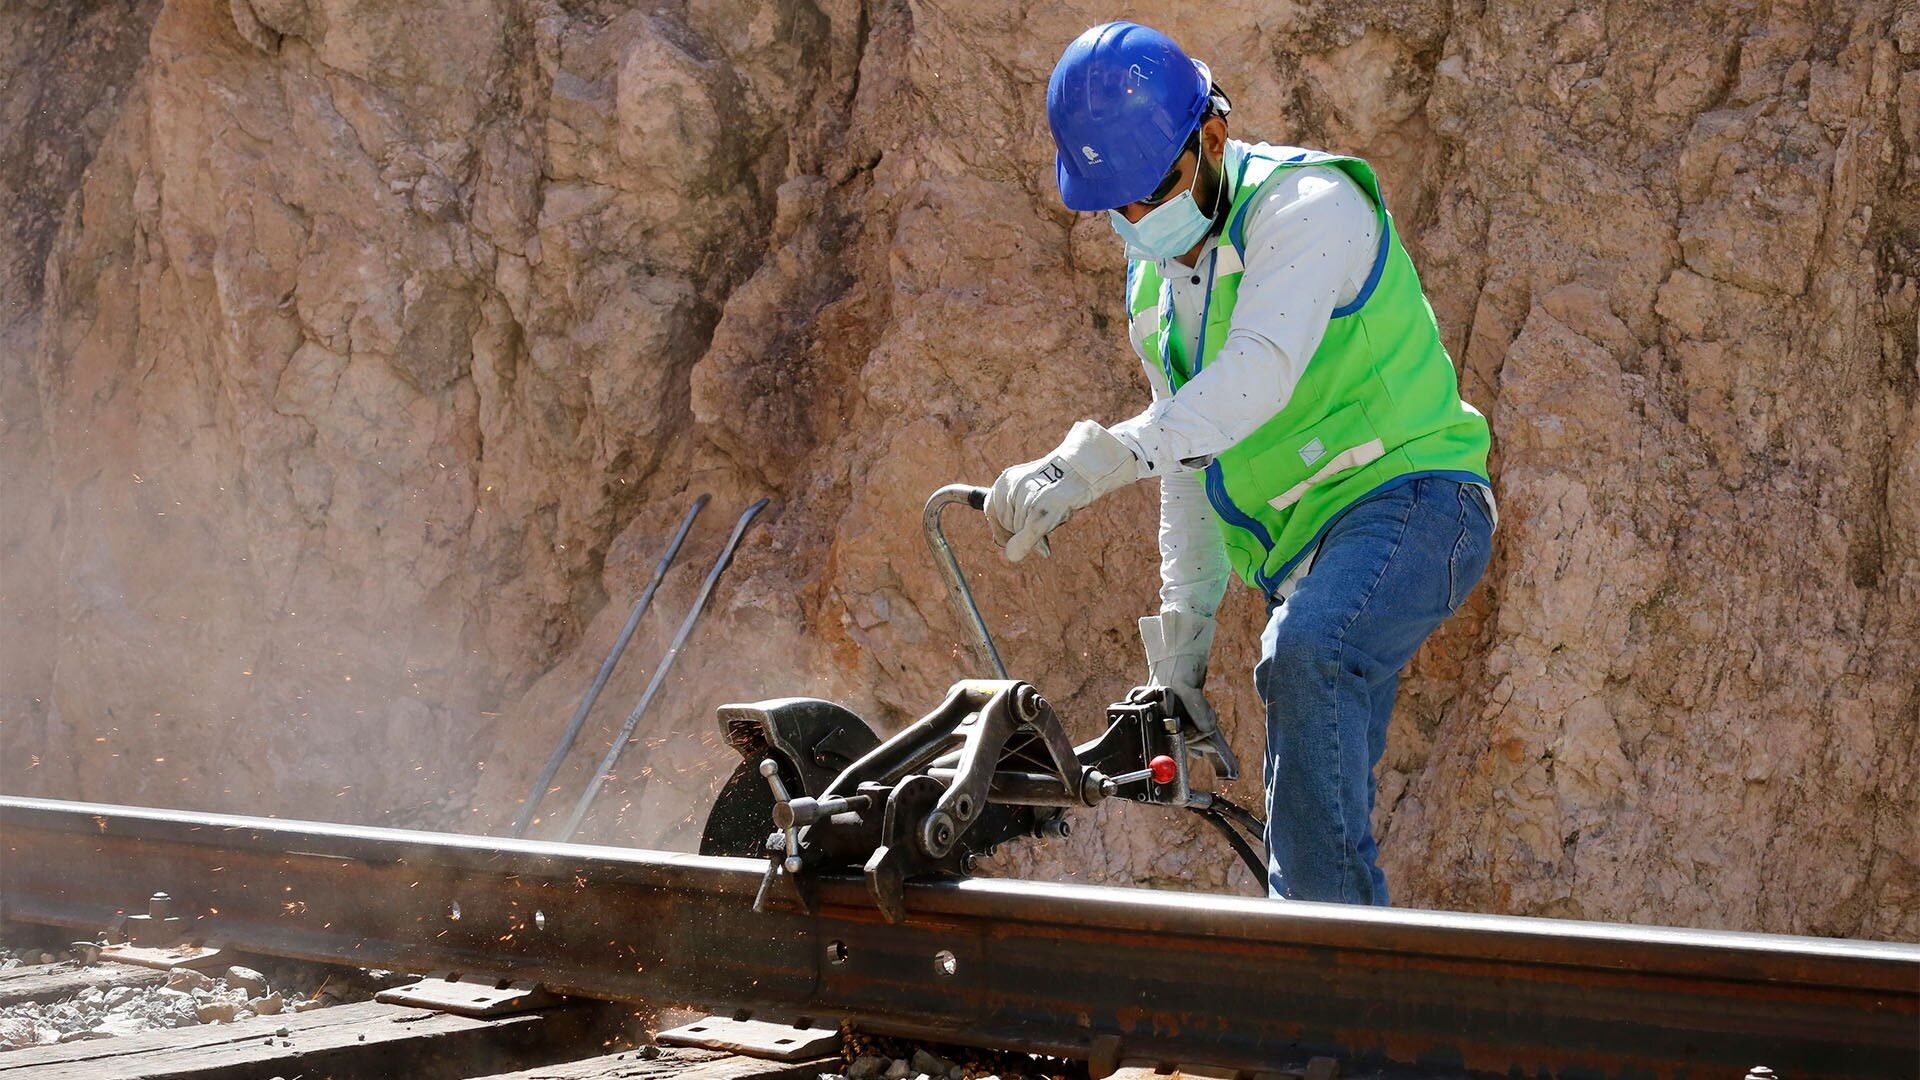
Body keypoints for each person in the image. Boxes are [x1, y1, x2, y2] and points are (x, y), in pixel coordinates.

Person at [984, 21, 1496, 905]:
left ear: (1213, 138)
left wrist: (1104, 458)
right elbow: (1190, 458)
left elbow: (1257, 372)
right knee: (1307, 689)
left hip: (1417, 500)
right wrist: (1180, 646)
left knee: (1309, 652)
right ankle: (1341, 952)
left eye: (1153, 191)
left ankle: (1319, 955)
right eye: (1116, 206)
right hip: (1307, 554)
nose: (1137, 222)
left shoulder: (1308, 205)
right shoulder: (1153, 287)